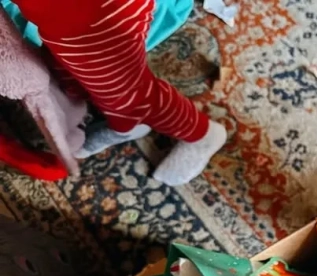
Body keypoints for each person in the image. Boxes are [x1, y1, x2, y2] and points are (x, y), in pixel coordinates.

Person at [14, 0, 224, 185]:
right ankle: (123, 120)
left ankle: (200, 133)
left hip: (91, 12)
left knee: (129, 96)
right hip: (59, 16)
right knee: (70, 73)